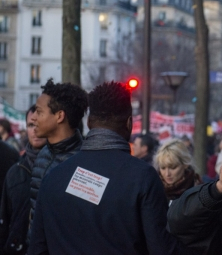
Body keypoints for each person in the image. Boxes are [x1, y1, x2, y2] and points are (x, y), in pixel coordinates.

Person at [28, 81, 178, 255]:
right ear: (129, 124)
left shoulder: (53, 177)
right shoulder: (143, 178)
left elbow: (37, 247)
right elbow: (160, 248)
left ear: (90, 122)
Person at [29, 78, 87, 226]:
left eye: (39, 111)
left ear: (59, 116)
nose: (33, 117)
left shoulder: (85, 163)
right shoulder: (43, 153)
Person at [0, 106, 46, 254]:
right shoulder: (15, 172)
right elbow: (4, 221)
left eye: (40, 124)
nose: (35, 130)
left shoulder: (63, 168)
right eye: (31, 125)